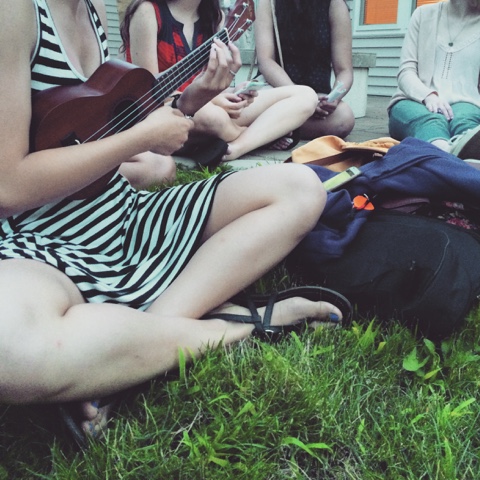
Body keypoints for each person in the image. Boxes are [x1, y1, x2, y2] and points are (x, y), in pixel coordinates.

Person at [0, 0, 350, 446]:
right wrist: (141, 138)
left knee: (301, 188)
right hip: (41, 240)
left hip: (124, 213)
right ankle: (235, 326)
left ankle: (131, 351)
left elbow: (97, 127)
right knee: (8, 347)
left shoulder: (90, 8)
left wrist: (192, 100)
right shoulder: (15, 10)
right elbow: (8, 187)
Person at [120, 0, 320, 161]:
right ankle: (259, 135)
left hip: (208, 106)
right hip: (165, 111)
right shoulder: (148, 11)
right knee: (213, 117)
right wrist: (213, 99)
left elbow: (207, 82)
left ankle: (235, 147)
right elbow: (149, 92)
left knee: (305, 95)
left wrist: (232, 92)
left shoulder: (214, 17)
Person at [387, 0, 480, 157]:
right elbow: (406, 71)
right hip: (414, 100)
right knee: (430, 122)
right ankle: (447, 157)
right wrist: (428, 95)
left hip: (466, 103)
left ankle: (451, 161)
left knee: (466, 124)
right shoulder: (423, 14)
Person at [254, 0, 355, 140]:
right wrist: (300, 97)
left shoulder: (334, 4)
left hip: (316, 99)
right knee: (252, 106)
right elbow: (266, 61)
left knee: (344, 118)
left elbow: (344, 70)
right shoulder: (269, 3)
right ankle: (274, 130)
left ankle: (271, 130)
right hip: (277, 91)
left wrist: (334, 98)